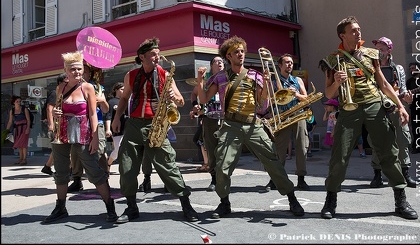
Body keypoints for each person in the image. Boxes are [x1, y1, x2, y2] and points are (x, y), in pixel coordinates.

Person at [318, 16, 417, 220]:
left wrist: (400, 106)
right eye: (353, 30)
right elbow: (328, 94)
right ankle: (330, 201)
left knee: (389, 152)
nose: (358, 32)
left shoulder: (372, 55)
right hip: (349, 109)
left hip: (374, 105)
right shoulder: (333, 59)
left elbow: (384, 84)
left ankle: (401, 199)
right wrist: (336, 82)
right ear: (342, 35)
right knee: (340, 156)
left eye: (359, 29)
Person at [196, 35, 304, 219]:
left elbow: (264, 104)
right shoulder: (220, 77)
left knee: (273, 161)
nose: (240, 54)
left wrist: (268, 86)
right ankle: (224, 203)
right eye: (236, 52)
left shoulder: (255, 75)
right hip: (230, 125)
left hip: (253, 124)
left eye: (242, 51)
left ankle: (292, 199)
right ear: (228, 56)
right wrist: (199, 80)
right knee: (222, 166)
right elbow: (205, 99)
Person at [111, 37, 199, 223]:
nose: (157, 58)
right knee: (127, 167)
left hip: (156, 125)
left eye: (158, 54)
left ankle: (186, 204)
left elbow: (181, 101)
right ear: (142, 56)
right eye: (153, 55)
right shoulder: (131, 75)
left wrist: (173, 96)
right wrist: (117, 117)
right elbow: (125, 98)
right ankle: (131, 207)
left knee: (168, 166)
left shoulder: (166, 75)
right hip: (134, 124)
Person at [43, 50, 117, 224]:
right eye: (72, 69)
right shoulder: (60, 87)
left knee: (94, 170)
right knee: (61, 172)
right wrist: (55, 113)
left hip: (83, 132)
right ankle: (60, 207)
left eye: (79, 69)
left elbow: (92, 113)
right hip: (62, 133)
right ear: (66, 70)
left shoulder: (88, 87)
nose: (76, 72)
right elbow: (56, 109)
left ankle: (110, 206)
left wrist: (95, 137)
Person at [368, 37, 416, 188]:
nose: (379, 52)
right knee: (377, 143)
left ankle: (405, 173)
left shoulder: (398, 69)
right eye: (377, 49)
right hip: (377, 110)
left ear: (389, 50)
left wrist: (407, 99)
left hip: (396, 109)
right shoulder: (370, 67)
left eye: (382, 49)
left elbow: (402, 90)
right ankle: (377, 175)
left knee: (402, 140)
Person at [263, 54, 311, 191]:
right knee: (279, 149)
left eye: (291, 63)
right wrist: (267, 83)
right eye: (287, 62)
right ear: (279, 65)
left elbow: (306, 98)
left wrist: (295, 94)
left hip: (298, 115)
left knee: (302, 147)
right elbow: (266, 98)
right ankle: (275, 179)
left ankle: (301, 179)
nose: (290, 65)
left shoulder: (298, 80)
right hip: (282, 116)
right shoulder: (273, 81)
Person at [67, 63, 109, 192]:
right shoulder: (72, 87)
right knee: (75, 152)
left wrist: (101, 101)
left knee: (100, 151)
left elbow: (106, 109)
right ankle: (77, 180)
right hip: (79, 123)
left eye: (85, 72)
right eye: (83, 71)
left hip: (98, 123)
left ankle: (104, 179)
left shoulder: (97, 87)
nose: (83, 74)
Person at [191, 56, 225, 191]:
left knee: (225, 150)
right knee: (211, 150)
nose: (220, 63)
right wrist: (195, 105)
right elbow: (194, 94)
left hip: (225, 119)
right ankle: (214, 179)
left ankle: (224, 178)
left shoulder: (227, 78)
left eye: (222, 61)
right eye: (217, 61)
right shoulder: (206, 81)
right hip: (209, 119)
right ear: (211, 65)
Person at [41, 73, 68, 176]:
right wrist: (51, 125)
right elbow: (49, 108)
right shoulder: (55, 93)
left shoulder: (65, 92)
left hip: (62, 123)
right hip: (56, 124)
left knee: (58, 147)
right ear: (60, 83)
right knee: (59, 147)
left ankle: (47, 166)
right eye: (66, 82)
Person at [105, 82, 127, 171]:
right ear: (116, 90)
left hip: (127, 128)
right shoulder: (111, 102)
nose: (124, 91)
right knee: (117, 151)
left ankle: (125, 169)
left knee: (125, 150)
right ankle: (108, 163)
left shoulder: (126, 100)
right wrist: (107, 129)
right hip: (117, 130)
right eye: (122, 89)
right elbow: (108, 116)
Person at [6, 95, 31, 165]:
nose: (19, 103)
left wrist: (28, 128)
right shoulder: (12, 110)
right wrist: (6, 130)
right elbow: (10, 121)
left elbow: (28, 120)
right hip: (17, 128)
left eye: (20, 101)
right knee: (19, 144)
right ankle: (20, 159)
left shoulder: (24, 109)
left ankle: (24, 159)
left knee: (23, 144)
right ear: (14, 102)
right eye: (17, 101)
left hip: (24, 127)